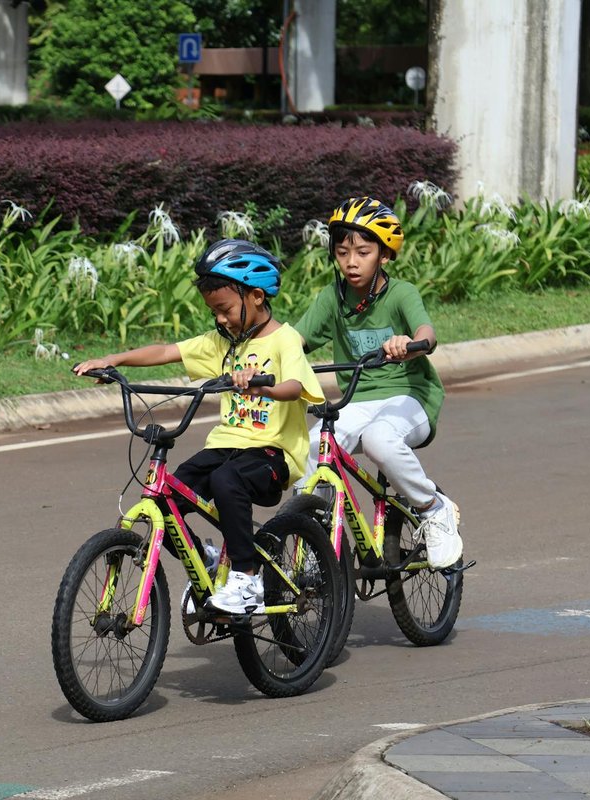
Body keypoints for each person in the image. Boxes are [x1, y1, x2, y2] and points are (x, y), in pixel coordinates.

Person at [74, 239, 324, 613]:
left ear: (256, 296)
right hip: (225, 446)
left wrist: (261, 383)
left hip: (273, 453)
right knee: (164, 498)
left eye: (224, 309)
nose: (220, 319)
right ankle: (206, 557)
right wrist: (113, 360)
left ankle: (247, 576)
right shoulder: (221, 344)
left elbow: (296, 387)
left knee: (227, 481)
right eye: (214, 312)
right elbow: (165, 351)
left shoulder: (284, 340)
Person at [293, 197, 463, 568]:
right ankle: (312, 543)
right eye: (342, 253)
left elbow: (427, 333)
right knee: (310, 447)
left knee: (379, 441)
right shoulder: (332, 298)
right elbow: (294, 341)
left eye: (363, 252)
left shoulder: (401, 293)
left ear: (384, 255)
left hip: (411, 398)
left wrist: (411, 343)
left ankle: (433, 508)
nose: (351, 262)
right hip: (358, 400)